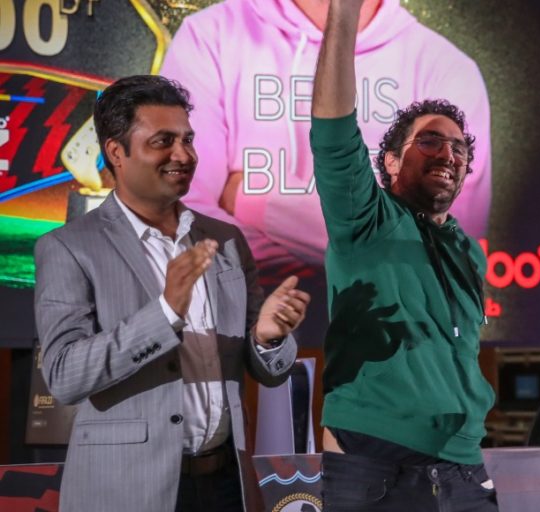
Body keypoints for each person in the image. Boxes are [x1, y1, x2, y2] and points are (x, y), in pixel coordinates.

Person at [34, 75, 310, 512]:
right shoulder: (69, 247)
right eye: (163, 141)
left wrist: (267, 338)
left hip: (225, 484)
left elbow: (270, 372)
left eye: (188, 139)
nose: (183, 155)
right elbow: (65, 376)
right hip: (125, 491)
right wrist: (164, 314)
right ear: (116, 152)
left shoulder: (226, 239)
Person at [160, 0, 491, 344]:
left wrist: (252, 201)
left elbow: (443, 253)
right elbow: (184, 217)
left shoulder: (446, 68)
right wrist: (369, 251)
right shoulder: (209, 37)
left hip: (393, 340)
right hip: (236, 327)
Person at [308, 1, 498, 511]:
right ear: (391, 161)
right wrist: (344, 14)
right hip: (376, 464)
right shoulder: (366, 218)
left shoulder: (466, 250)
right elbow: (333, 131)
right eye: (430, 141)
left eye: (459, 148)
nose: (449, 155)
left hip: (463, 467)